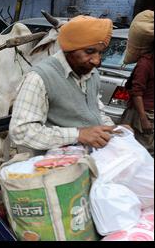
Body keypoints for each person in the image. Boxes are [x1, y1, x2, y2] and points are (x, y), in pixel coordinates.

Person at [10, 15, 122, 155]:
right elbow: (21, 131)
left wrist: (114, 130)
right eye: (89, 52)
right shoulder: (39, 78)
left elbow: (96, 112)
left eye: (100, 53)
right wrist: (78, 134)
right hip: (56, 168)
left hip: (92, 160)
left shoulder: (92, 74)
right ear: (69, 49)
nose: (96, 61)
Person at [121, 11, 154, 155]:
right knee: (143, 152)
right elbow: (136, 91)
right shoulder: (145, 63)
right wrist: (143, 119)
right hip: (143, 114)